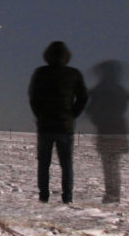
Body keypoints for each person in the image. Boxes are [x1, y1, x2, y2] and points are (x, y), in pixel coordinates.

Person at [28, 41, 88, 204]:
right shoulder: (73, 74)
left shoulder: (41, 73)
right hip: (65, 125)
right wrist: (72, 114)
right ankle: (67, 198)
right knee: (66, 164)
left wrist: (40, 115)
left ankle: (44, 196)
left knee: (44, 163)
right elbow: (83, 97)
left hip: (46, 125)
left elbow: (33, 97)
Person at [86, 60, 129, 204]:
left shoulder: (101, 91)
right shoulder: (119, 91)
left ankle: (111, 195)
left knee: (110, 165)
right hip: (117, 130)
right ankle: (113, 194)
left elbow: (93, 111)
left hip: (107, 131)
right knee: (112, 164)